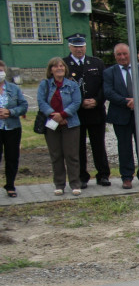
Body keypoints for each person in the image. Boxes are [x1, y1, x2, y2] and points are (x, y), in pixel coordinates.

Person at [103, 43, 139, 190]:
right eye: (119, 54)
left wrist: (138, 100)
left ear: (130, 54)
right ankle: (126, 177)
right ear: (115, 56)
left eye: (125, 54)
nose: (122, 57)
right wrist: (126, 102)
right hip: (121, 114)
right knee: (124, 147)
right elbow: (108, 92)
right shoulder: (109, 72)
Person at [64, 33, 110, 187]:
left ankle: (103, 175)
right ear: (70, 47)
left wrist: (97, 100)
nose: (79, 49)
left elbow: (105, 86)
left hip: (96, 111)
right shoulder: (64, 64)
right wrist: (79, 103)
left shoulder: (96, 62)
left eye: (82, 46)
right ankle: (81, 176)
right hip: (77, 113)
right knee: (79, 146)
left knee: (99, 145)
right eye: (76, 47)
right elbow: (63, 89)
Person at [37, 57, 82, 195]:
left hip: (70, 123)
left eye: (61, 66)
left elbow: (76, 102)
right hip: (52, 123)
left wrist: (63, 115)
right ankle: (59, 184)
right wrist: (53, 115)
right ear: (51, 70)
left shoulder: (72, 85)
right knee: (56, 155)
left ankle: (75, 183)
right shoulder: (45, 85)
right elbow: (41, 101)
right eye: (56, 66)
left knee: (72, 155)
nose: (59, 68)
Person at [0, 60, 28, 197]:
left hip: (12, 128)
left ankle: (10, 185)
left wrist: (10, 112)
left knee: (12, 157)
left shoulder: (13, 88)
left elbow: (23, 106)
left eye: (1, 71)